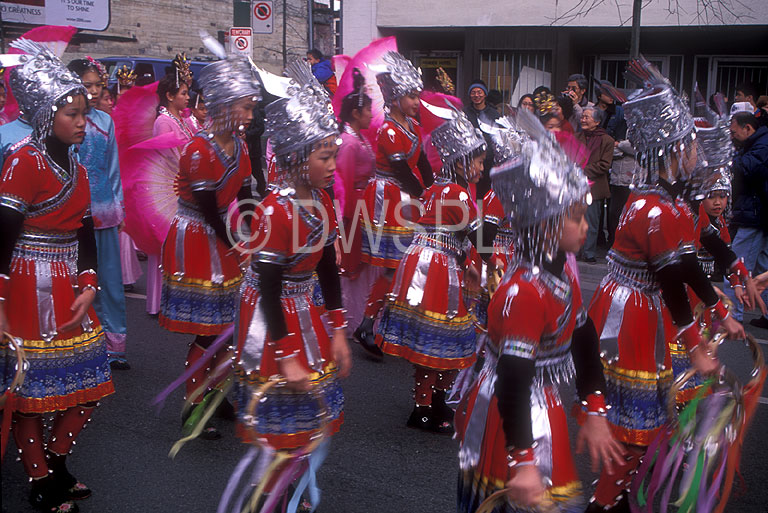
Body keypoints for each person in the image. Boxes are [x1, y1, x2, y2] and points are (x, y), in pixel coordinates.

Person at [587, 58, 744, 512]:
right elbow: (674, 283)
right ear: (674, 151)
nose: (698, 155)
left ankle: (620, 490)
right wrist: (694, 341)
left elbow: (689, 264)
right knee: (635, 422)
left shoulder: (669, 204)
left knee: (645, 417)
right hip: (631, 312)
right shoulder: (655, 209)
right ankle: (605, 501)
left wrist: (718, 310)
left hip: (643, 306)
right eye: (692, 146)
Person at [456, 112, 623, 512]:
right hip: (512, 419)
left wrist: (594, 406)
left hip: (541, 407)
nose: (586, 228)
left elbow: (583, 337)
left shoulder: (559, 277)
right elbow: (513, 381)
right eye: (577, 217)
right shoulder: (526, 293)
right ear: (547, 224)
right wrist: (524, 461)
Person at [0, 38, 114, 513]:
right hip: (27, 284)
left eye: (85, 113)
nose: (83, 122)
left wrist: (90, 284)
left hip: (68, 283)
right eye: (73, 114)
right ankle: (41, 479)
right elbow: (2, 239)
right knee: (31, 394)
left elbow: (87, 233)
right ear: (48, 114)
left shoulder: (80, 170)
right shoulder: (22, 163)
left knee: (89, 386)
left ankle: (57, 459)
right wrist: (0, 307)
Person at [231, 60, 350, 512]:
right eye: (325, 157)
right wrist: (287, 357)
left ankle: (287, 490)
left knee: (309, 415)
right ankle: (273, 497)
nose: (332, 166)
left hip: (304, 305)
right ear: (298, 158)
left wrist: (339, 330)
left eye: (334, 155)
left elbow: (328, 268)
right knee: (282, 416)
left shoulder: (322, 201)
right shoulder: (274, 213)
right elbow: (266, 290)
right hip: (271, 314)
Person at [158, 52, 259, 440]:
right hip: (199, 238)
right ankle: (192, 404)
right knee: (209, 330)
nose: (250, 116)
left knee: (229, 328)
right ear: (224, 106)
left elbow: (247, 192)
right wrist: (239, 244)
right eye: (246, 107)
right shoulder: (199, 151)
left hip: (222, 235)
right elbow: (211, 211)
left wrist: (255, 230)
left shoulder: (239, 145)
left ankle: (217, 397)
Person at [377, 106, 487, 433]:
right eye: (478, 161)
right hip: (435, 267)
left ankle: (433, 401)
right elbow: (480, 238)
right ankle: (424, 406)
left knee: (441, 339)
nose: (482, 168)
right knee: (439, 339)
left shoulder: (439, 189)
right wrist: (493, 263)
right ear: (462, 162)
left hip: (431, 262)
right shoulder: (457, 194)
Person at [353, 51, 432, 359]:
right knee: (395, 268)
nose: (416, 101)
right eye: (411, 96)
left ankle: (378, 323)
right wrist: (426, 196)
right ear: (396, 98)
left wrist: (435, 187)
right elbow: (401, 171)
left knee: (401, 268)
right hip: (388, 200)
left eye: (417, 95)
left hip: (405, 199)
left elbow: (423, 163)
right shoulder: (388, 131)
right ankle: (369, 323)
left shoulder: (412, 126)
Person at [67, 58, 130, 369]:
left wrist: (118, 208)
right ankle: (79, 343)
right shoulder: (62, 122)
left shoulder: (105, 122)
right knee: (75, 282)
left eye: (97, 86)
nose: (92, 92)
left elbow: (114, 170)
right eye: (86, 85)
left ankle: (114, 346)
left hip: (104, 211)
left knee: (110, 283)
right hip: (71, 216)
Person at [334, 68, 377, 330]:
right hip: (355, 210)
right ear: (355, 114)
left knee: (364, 265)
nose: (371, 115)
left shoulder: (359, 139)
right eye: (367, 110)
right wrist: (347, 221)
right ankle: (350, 321)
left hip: (366, 206)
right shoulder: (348, 143)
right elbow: (342, 185)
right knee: (353, 267)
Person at [727, 111, 768, 327]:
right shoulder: (757, 142)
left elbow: (746, 168)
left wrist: (730, 155)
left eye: (734, 132)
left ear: (747, 128)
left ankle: (732, 314)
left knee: (738, 262)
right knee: (763, 266)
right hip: (757, 211)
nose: (732, 136)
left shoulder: (762, 144)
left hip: (755, 213)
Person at [576, 106, 614, 263]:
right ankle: (575, 251)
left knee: (591, 221)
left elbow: (605, 165)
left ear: (597, 121)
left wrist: (582, 169)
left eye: (587, 117)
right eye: (582, 117)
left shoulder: (607, 140)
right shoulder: (576, 136)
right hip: (575, 185)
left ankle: (589, 252)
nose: (583, 120)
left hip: (594, 187)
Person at [464, 79, 500, 199]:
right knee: (472, 191)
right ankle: (474, 214)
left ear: (484, 94)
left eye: (479, 92)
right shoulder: (465, 113)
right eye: (473, 92)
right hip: (471, 160)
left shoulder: (494, 114)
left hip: (489, 160)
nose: (476, 95)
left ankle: (484, 215)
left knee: (486, 192)